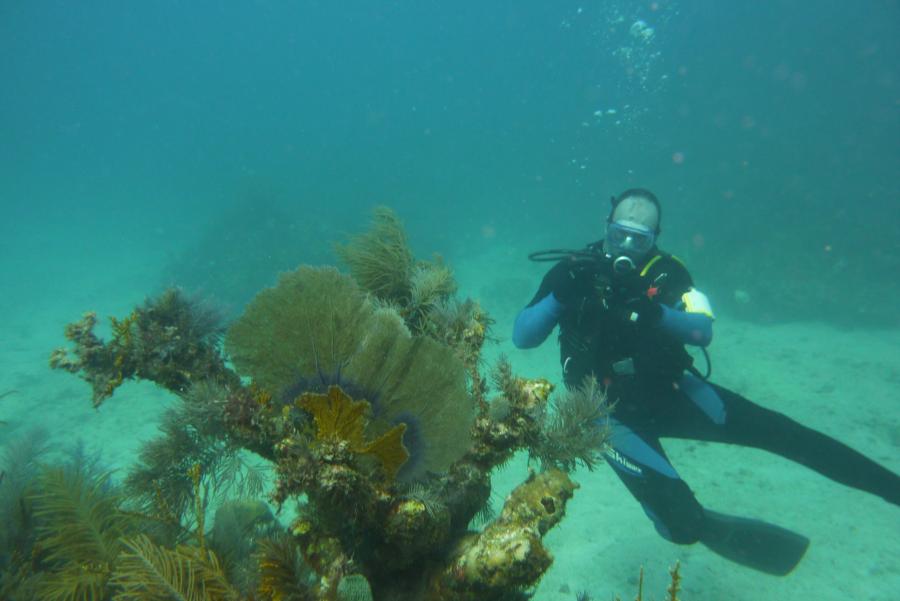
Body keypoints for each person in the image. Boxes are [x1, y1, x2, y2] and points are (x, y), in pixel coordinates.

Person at [512, 188, 900, 575]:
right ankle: (699, 524)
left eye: (640, 239)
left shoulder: (669, 273)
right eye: (619, 235)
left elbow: (702, 332)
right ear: (606, 227)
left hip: (672, 392)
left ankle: (889, 486)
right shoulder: (573, 270)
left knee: (783, 432)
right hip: (605, 412)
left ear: (655, 238)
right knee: (679, 526)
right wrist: (558, 298)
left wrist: (655, 313)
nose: (627, 246)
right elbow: (523, 337)